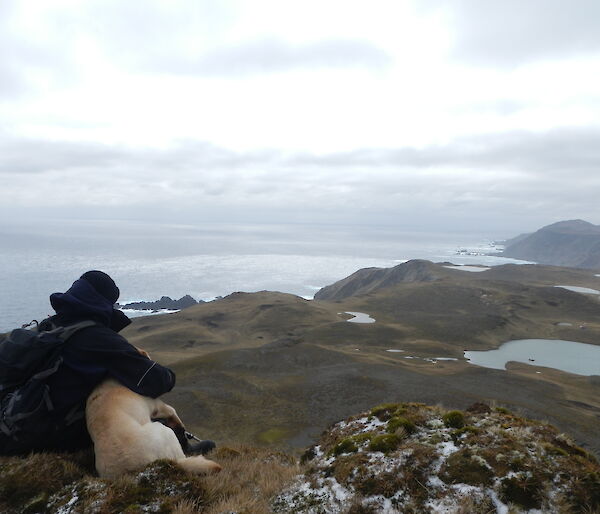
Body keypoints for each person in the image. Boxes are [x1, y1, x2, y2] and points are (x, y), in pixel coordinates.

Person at [0, 270, 214, 456]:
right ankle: (182, 450)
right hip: (35, 433)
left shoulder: (52, 325)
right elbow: (157, 380)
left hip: (9, 423)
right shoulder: (95, 338)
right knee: (141, 418)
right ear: (105, 303)